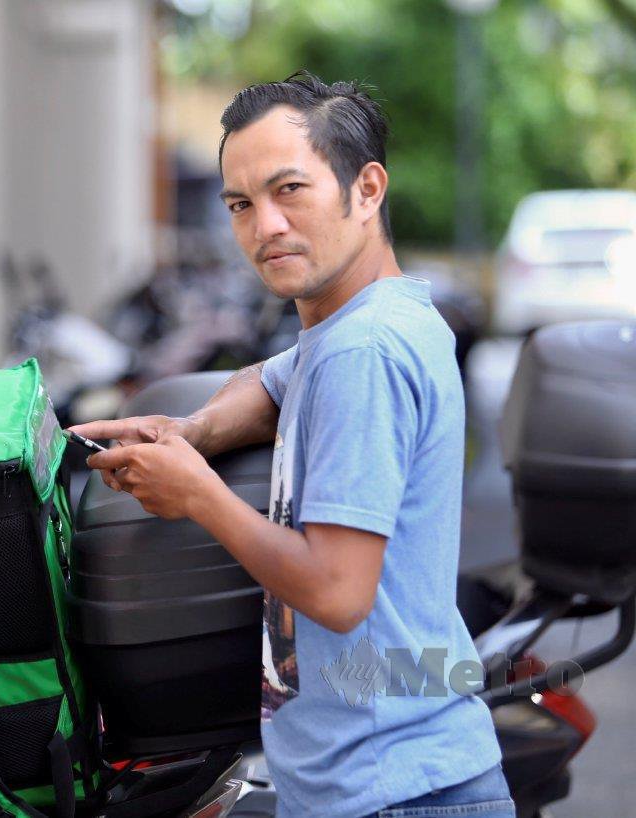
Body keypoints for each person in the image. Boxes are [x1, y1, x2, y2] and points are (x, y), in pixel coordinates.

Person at [71, 73, 513, 818]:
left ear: (366, 189)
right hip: (391, 778)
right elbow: (274, 380)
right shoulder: (366, 320)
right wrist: (193, 432)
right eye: (241, 204)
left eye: (290, 191)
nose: (264, 226)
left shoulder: (361, 352)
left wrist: (199, 496)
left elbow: (340, 593)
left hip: (397, 791)